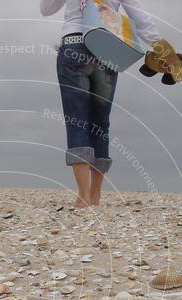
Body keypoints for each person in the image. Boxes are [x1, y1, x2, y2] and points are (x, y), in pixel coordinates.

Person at [40, 0, 161, 208]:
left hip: (74, 43)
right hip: (106, 48)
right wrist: (159, 46)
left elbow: (46, 9)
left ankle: (83, 196)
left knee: (76, 120)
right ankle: (95, 196)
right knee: (100, 124)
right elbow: (140, 16)